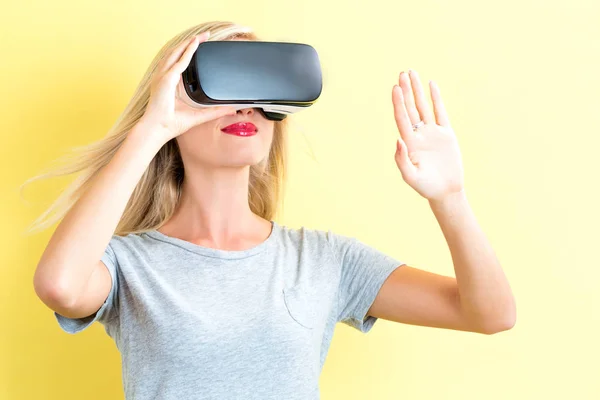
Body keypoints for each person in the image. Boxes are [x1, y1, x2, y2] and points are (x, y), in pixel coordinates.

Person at [26, 20, 516, 400]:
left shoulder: (324, 260)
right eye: (224, 88)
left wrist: (449, 199)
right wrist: (152, 129)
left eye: (263, 95)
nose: (245, 108)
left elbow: (490, 313)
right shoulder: (129, 266)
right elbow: (60, 286)